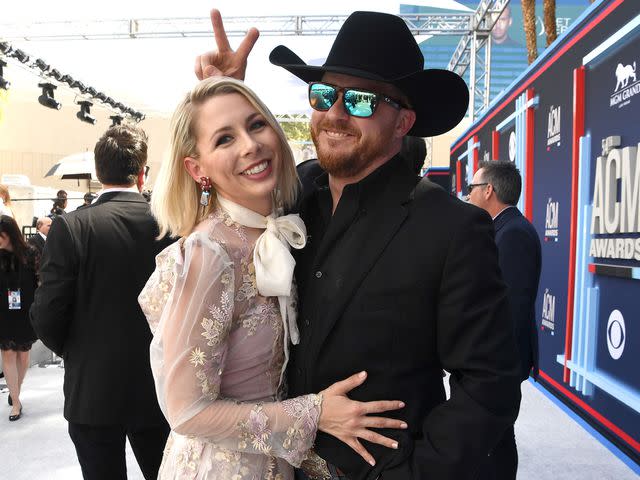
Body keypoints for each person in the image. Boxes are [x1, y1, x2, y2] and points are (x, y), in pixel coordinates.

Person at [196, 10, 522, 480]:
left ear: (403, 121)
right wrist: (221, 99)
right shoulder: (290, 198)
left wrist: (414, 473)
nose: (336, 113)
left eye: (363, 100)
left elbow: (490, 384)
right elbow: (202, 230)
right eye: (325, 94)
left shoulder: (452, 228)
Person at [139, 76, 406, 480]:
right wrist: (316, 412)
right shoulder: (209, 252)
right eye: (224, 139)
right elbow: (186, 411)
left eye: (256, 125)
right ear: (197, 169)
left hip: (276, 464)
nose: (250, 145)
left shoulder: (276, 224)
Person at [30, 125, 172, 480]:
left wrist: (76, 349)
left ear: (98, 172)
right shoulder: (170, 226)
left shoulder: (71, 228)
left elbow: (48, 312)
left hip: (92, 389)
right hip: (159, 387)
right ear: (142, 173)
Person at [467, 160, 542, 480]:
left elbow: (510, 307)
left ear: (488, 190)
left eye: (472, 187)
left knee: (496, 436)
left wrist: (490, 360)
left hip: (501, 358)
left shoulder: (513, 234)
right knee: (493, 433)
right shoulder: (503, 229)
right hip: (498, 357)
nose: (467, 194)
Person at [0, 215, 38, 421]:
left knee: (23, 356)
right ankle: (16, 402)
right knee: (7, 354)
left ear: (10, 234)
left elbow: (41, 281)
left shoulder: (30, 254)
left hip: (26, 312)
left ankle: (16, 389)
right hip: (3, 313)